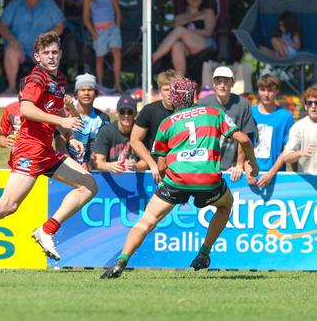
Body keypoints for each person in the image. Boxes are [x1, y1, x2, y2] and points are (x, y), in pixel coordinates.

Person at [0, 31, 96, 272]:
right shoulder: (36, 78)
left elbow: (54, 114)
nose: (51, 56)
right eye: (45, 53)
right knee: (8, 205)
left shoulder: (59, 81)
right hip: (29, 148)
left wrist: (68, 137)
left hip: (45, 150)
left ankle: (46, 230)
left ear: (60, 54)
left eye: (55, 52)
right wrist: (65, 122)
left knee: (88, 185)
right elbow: (25, 109)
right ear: (37, 57)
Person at [101, 77, 259, 279]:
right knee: (226, 205)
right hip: (208, 180)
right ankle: (204, 253)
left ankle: (121, 261)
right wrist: (252, 164)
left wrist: (172, 185)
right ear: (193, 95)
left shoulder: (167, 123)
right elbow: (244, 139)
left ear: (174, 99)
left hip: (177, 180)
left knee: (146, 221)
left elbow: (161, 163)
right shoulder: (214, 113)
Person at [0, 0, 65, 93]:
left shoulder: (49, 5)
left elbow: (60, 27)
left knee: (49, 53)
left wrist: (45, 41)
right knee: (10, 52)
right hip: (18, 47)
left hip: (41, 47)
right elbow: (3, 26)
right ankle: (11, 87)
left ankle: (46, 90)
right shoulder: (16, 4)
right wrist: (11, 39)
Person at [199, 66, 258, 181]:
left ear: (233, 83)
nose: (222, 85)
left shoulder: (242, 104)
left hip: (232, 168)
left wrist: (239, 165)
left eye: (226, 81)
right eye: (218, 81)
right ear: (213, 83)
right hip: (206, 166)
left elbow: (244, 136)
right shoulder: (202, 104)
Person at [152, 0, 216, 77]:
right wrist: (183, 34)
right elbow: (177, 37)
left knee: (179, 30)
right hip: (186, 47)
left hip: (204, 42)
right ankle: (181, 83)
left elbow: (208, 32)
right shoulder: (179, 18)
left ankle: (155, 57)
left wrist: (185, 33)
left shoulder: (208, 12)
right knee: (177, 45)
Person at [130, 69, 177, 183]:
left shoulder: (187, 110)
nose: (170, 93)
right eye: (166, 89)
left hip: (181, 167)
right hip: (156, 168)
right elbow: (135, 140)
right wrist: (152, 164)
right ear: (160, 91)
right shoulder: (149, 110)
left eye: (174, 89)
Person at [251, 74, 295, 188]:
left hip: (276, 175)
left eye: (270, 90)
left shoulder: (286, 116)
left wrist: (271, 173)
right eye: (262, 90)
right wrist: (247, 169)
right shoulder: (250, 113)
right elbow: (243, 145)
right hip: (251, 175)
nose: (266, 94)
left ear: (277, 91)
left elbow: (287, 149)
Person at [82, 0, 122, 92]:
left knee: (117, 53)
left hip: (112, 28)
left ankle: (117, 84)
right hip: (99, 31)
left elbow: (118, 11)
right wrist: (93, 33)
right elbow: (85, 18)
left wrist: (117, 28)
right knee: (100, 58)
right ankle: (100, 85)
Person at [62, 73, 110, 171]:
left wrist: (89, 163)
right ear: (76, 94)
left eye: (90, 89)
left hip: (92, 168)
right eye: (82, 90)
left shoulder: (103, 118)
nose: (86, 93)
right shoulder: (66, 115)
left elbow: (102, 146)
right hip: (66, 167)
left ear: (96, 93)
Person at [93, 95, 146, 173]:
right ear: (117, 113)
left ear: (135, 114)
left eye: (130, 112)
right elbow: (97, 162)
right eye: (122, 112)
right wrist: (110, 166)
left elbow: (147, 161)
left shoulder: (141, 130)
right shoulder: (106, 131)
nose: (126, 115)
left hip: (134, 176)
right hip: (112, 175)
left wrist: (136, 166)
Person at [282, 86, 317, 173]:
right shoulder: (298, 127)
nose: (313, 106)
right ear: (305, 106)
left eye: (316, 103)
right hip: (307, 181)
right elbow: (286, 157)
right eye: (309, 103)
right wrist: (301, 153)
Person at [0, 78, 25, 149]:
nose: (22, 95)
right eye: (21, 90)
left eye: (27, 92)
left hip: (37, 155)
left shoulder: (41, 111)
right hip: (16, 156)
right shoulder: (10, 109)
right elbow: (2, 137)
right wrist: (5, 142)